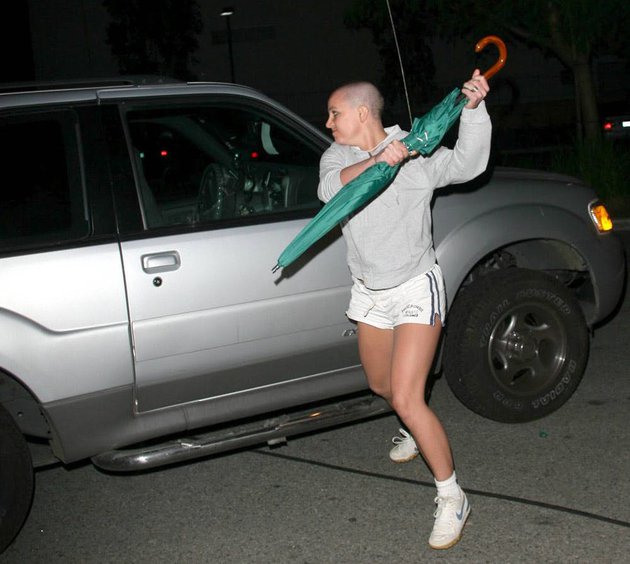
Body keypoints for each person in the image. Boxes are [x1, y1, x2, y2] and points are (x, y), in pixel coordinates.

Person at [317, 70, 491, 550]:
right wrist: (379, 160)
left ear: (361, 113)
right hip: (370, 292)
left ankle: (452, 496)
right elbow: (331, 190)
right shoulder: (338, 155)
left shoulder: (418, 149)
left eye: (334, 114)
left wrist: (473, 111)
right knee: (383, 386)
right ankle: (412, 423)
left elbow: (468, 165)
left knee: (408, 398)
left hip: (416, 286)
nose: (328, 123)